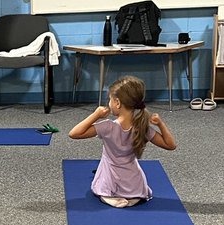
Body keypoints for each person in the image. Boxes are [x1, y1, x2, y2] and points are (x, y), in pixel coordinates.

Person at [68, 75, 176, 207]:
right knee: (136, 190)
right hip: (134, 181)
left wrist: (96, 115)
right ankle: (133, 197)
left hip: (110, 178)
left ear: (117, 103)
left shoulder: (107, 126)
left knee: (101, 187)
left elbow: (74, 133)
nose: (109, 103)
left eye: (110, 100)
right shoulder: (142, 128)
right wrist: (160, 124)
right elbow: (170, 145)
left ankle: (108, 197)